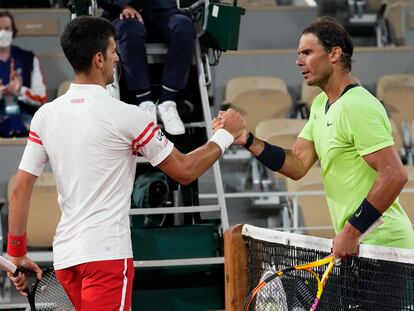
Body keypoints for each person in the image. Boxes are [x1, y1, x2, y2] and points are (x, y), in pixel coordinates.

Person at [7, 16, 244, 310]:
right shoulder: (128, 116)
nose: (117, 57)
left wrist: (16, 254)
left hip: (67, 259)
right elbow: (184, 171)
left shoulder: (46, 115)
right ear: (98, 59)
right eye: (113, 51)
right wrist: (224, 137)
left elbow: (20, 188)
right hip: (106, 259)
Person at [213, 16, 414, 260]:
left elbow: (395, 174)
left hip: (385, 244)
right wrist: (247, 139)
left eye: (307, 52)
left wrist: (351, 232)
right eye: (299, 54)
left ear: (334, 54)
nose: (298, 62)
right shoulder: (320, 105)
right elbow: (296, 163)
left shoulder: (358, 105)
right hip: (359, 243)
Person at [98, 0, 196, 135]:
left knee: (184, 26)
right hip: (122, 12)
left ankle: (167, 102)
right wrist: (123, 5)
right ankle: (145, 103)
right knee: (130, 30)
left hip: (163, 11)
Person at [0, 10, 48, 137]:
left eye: (7, 28)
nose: (3, 32)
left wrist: (20, 90)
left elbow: (42, 97)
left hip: (25, 118)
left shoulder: (28, 59)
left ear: (13, 31)